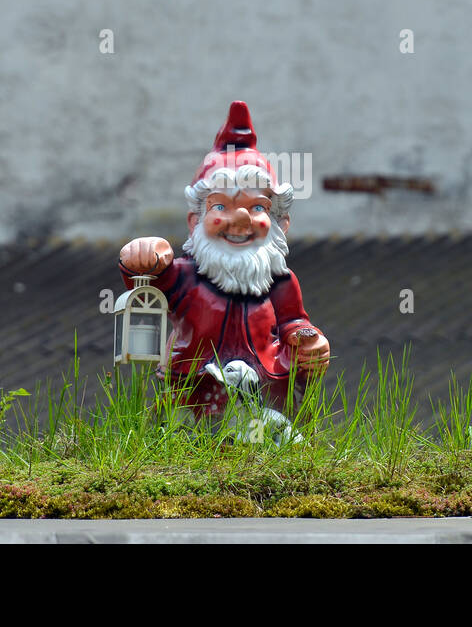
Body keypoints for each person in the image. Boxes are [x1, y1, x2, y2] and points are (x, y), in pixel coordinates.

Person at [118, 101, 331, 420]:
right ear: (195, 221)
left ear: (280, 223)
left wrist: (309, 342)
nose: (241, 219)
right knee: (192, 438)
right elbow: (149, 282)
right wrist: (146, 254)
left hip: (266, 386)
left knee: (270, 436)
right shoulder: (185, 278)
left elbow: (293, 322)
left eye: (258, 207)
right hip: (195, 390)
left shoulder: (279, 280)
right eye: (221, 207)